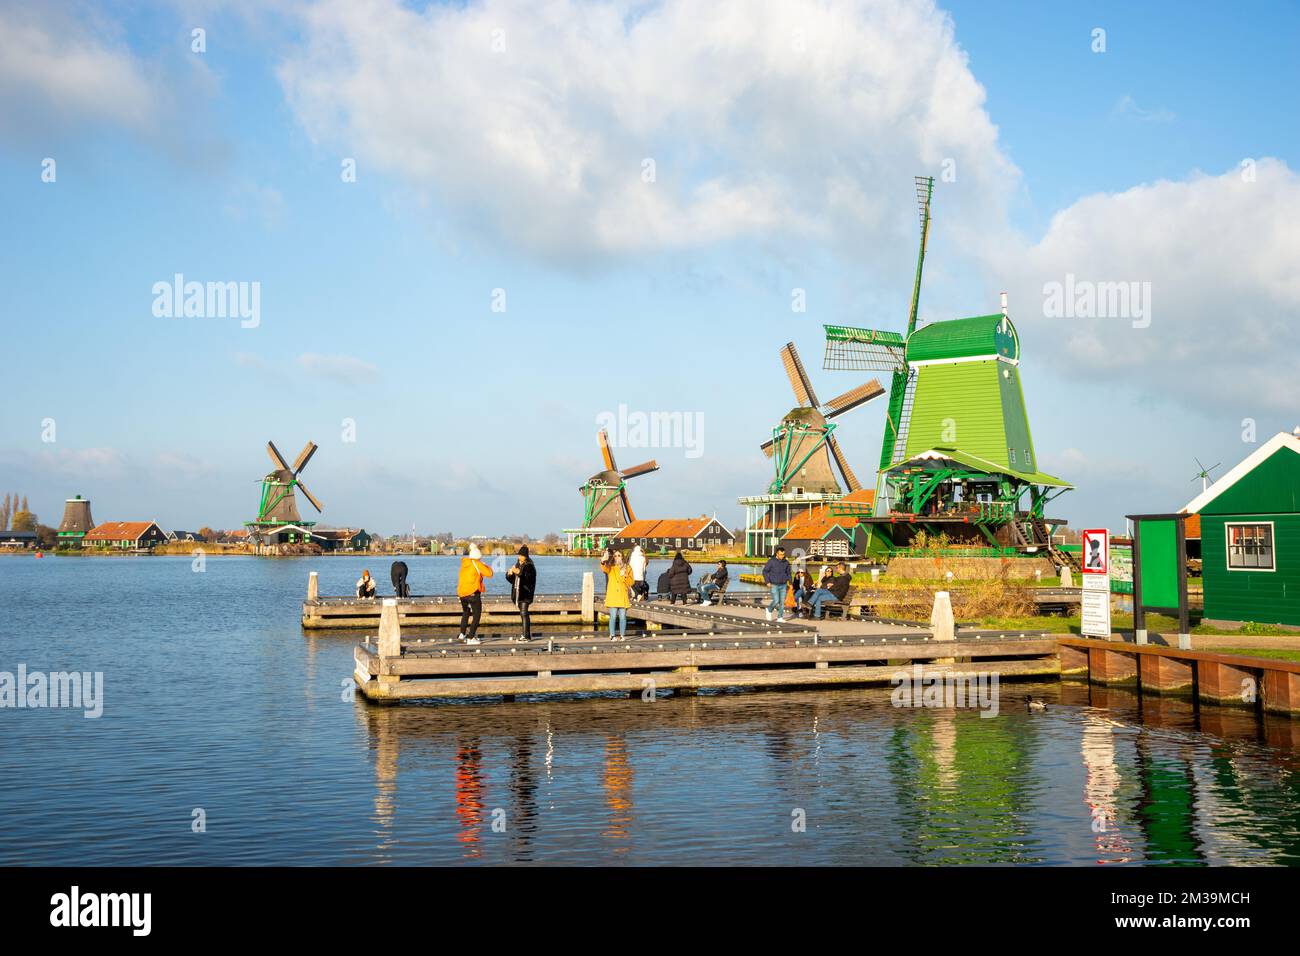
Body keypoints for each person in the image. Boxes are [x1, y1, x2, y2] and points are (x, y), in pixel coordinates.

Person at [456, 544, 494, 645]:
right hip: (473, 593)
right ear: (478, 557)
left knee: (466, 612)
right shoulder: (477, 563)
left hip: (462, 593)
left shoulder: (464, 564)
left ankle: (462, 634)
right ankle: (471, 637)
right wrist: (485, 565)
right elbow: (490, 573)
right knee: (477, 615)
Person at [505, 545, 537, 642]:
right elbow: (513, 581)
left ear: (526, 556)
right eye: (519, 555)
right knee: (523, 614)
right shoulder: (517, 564)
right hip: (518, 593)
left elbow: (528, 579)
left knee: (524, 613)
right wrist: (509, 574)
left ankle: (526, 636)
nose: (520, 557)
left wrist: (519, 573)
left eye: (522, 555)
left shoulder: (529, 566)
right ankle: (526, 635)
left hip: (525, 593)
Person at [602, 548, 634, 641]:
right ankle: (612, 635)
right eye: (615, 556)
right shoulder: (610, 566)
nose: (617, 557)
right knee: (613, 616)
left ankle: (622, 635)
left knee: (623, 617)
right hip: (613, 595)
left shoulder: (627, 567)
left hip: (623, 595)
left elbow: (631, 582)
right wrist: (603, 561)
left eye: (619, 555)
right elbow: (604, 568)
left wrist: (625, 576)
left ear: (622, 557)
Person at [762, 546, 792, 621]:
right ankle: (769, 609)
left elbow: (789, 573)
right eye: (781, 554)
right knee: (776, 600)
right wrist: (767, 581)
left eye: (783, 554)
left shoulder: (786, 562)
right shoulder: (771, 561)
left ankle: (780, 617)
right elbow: (765, 571)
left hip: (783, 584)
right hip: (774, 584)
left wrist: (790, 583)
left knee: (782, 602)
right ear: (777, 554)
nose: (782, 556)